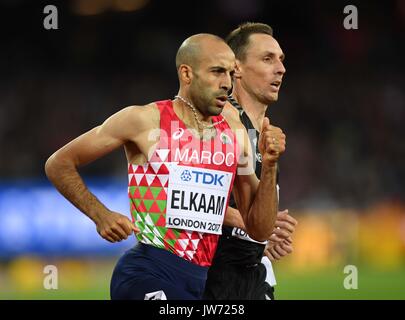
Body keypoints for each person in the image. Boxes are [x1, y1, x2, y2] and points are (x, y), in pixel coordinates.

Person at [44, 33, 286, 300]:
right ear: (186, 73)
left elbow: (259, 229)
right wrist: (100, 214)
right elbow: (59, 163)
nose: (227, 84)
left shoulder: (235, 134)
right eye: (217, 72)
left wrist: (270, 164)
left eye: (230, 73)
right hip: (147, 272)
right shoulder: (144, 120)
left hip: (198, 282)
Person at [203, 23, 297, 300]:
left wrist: (260, 238)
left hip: (248, 274)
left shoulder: (263, 132)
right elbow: (184, 195)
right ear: (237, 68)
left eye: (281, 60)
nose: (280, 68)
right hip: (212, 279)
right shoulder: (221, 122)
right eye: (267, 59)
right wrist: (256, 227)